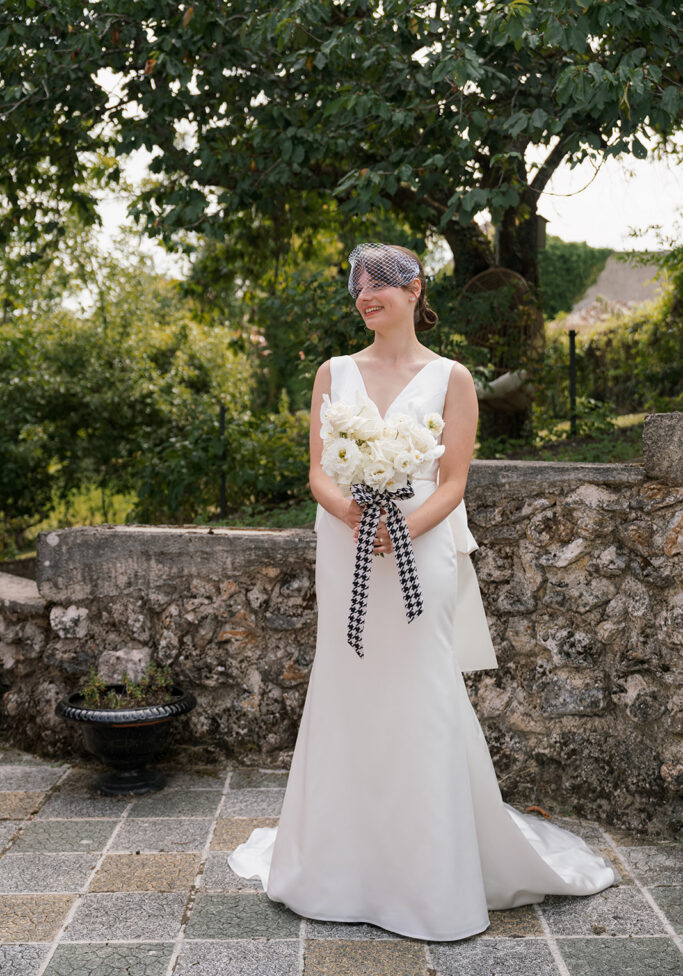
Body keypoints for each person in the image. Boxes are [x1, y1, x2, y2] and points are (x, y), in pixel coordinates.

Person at [227, 242, 620, 941]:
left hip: (421, 544)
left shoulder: (451, 378)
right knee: (347, 681)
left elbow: (453, 482)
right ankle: (338, 867)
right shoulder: (332, 373)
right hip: (346, 543)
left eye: (379, 281)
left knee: (422, 685)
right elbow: (317, 472)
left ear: (414, 291)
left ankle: (430, 875)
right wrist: (350, 512)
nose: (364, 293)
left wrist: (402, 529)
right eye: (357, 284)